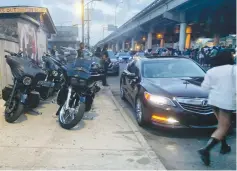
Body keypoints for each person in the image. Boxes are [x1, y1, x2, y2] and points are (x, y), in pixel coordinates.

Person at [198, 50, 236, 166]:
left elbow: (204, 88)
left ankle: (224, 146)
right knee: (224, 127)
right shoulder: (234, 69)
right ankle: (206, 150)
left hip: (214, 101)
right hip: (226, 102)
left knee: (221, 125)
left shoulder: (211, 71)